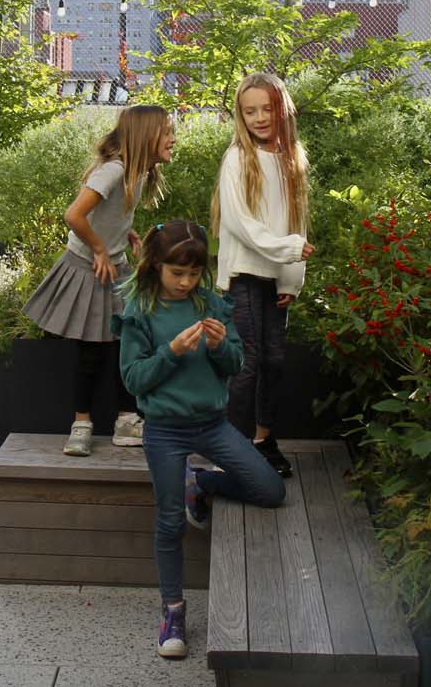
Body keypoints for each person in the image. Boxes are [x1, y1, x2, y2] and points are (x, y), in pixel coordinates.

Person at [117, 220, 286, 660]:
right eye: (177, 273)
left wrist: (217, 347)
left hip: (212, 423)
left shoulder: (210, 302)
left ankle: (204, 483)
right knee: (170, 521)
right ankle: (172, 611)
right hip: (164, 430)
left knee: (271, 490)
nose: (186, 282)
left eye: (193, 273)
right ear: (156, 265)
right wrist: (170, 353)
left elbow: (235, 364)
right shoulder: (140, 309)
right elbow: (134, 379)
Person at [23, 104, 176, 456]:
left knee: (128, 345)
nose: (173, 139)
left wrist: (127, 236)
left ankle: (126, 421)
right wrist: (100, 250)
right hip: (90, 268)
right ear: (145, 137)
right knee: (91, 351)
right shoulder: (113, 171)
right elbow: (74, 215)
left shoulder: (138, 173)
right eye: (167, 132)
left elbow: (108, 216)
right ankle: (81, 425)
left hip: (115, 265)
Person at [211, 72, 314, 478]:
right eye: (249, 110)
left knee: (273, 361)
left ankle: (262, 440)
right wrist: (286, 250)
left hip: (276, 276)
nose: (258, 117)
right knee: (248, 362)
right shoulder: (238, 158)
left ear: (281, 108)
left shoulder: (292, 159)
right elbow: (238, 223)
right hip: (244, 275)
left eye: (266, 108)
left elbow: (296, 222)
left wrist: (291, 277)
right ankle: (231, 449)